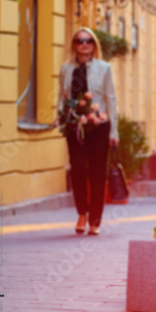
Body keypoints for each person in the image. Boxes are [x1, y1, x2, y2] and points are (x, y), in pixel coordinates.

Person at [59, 27, 117, 236]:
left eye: (88, 41)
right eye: (80, 40)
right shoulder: (66, 69)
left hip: (99, 125)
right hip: (74, 126)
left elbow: (110, 99)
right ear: (74, 45)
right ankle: (81, 213)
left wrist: (114, 132)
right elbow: (62, 97)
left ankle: (95, 220)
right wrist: (61, 117)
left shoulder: (104, 68)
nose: (84, 44)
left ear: (94, 45)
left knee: (97, 172)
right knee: (77, 170)